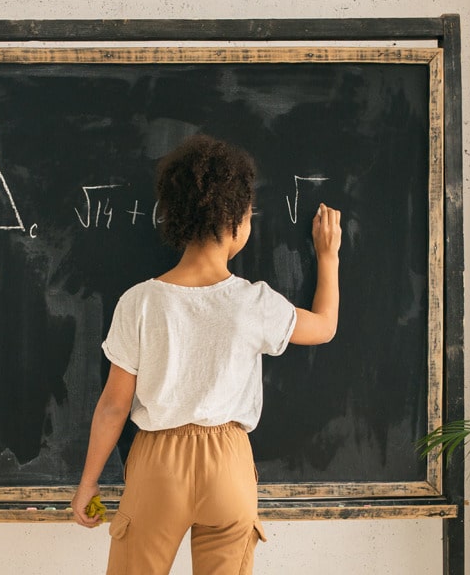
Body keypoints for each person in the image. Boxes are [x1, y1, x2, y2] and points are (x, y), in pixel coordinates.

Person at [71, 134, 341, 574]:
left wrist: (87, 484)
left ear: (176, 218)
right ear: (236, 221)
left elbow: (114, 405)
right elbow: (325, 327)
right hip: (229, 463)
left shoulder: (140, 301)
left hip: (158, 463)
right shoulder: (254, 302)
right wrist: (327, 256)